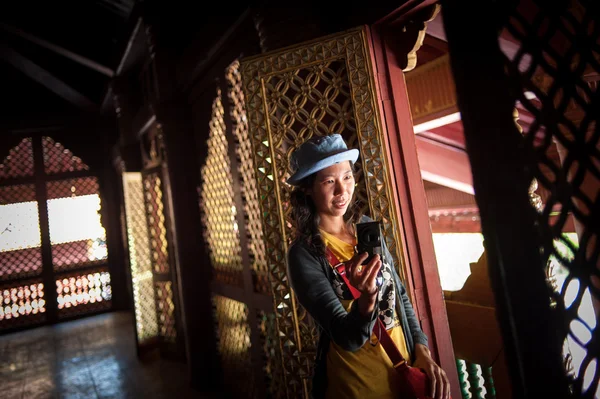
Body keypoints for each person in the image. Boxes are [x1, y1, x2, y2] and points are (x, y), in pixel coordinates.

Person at [286, 134, 450, 399]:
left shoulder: (365, 229)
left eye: (347, 177)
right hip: (356, 385)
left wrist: (422, 350)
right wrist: (368, 299)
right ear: (307, 188)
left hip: (402, 373)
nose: (342, 191)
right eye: (329, 181)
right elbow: (346, 337)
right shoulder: (304, 255)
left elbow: (401, 296)